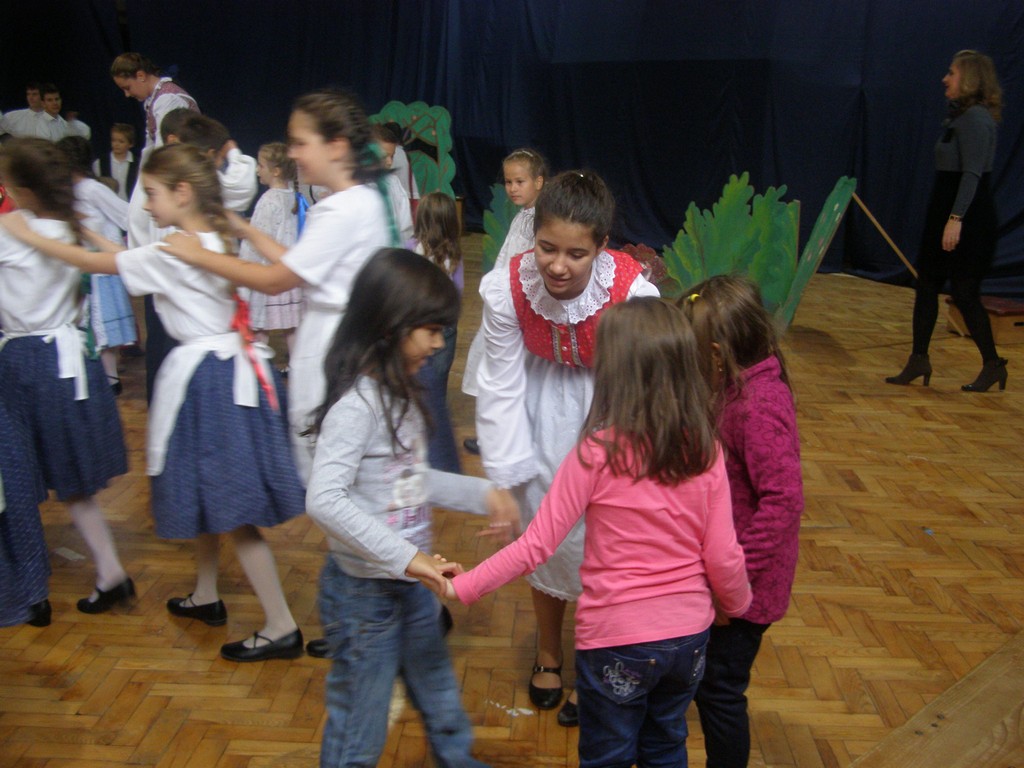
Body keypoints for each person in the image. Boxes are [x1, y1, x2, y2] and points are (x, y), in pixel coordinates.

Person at [1, 143, 308, 662]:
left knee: (235, 510)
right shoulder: (205, 238)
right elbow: (118, 255)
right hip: (225, 373)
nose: (144, 205)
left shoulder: (175, 251)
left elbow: (98, 262)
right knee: (209, 491)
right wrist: (77, 232)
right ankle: (206, 593)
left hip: (212, 382)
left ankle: (280, 624)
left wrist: (27, 233)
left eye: (151, 193)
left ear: (182, 193)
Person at [438, 298, 751, 768]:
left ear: (614, 374)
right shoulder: (706, 450)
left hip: (616, 641)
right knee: (667, 744)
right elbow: (723, 553)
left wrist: (462, 586)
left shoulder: (595, 454)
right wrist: (736, 605)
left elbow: (535, 546)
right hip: (689, 639)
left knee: (608, 753)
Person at [304, 247, 519, 767]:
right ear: (390, 325)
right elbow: (324, 499)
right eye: (431, 330)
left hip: (412, 587)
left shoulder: (400, 396)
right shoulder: (357, 407)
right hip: (364, 600)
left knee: (440, 696)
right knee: (361, 724)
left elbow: (408, 481)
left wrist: (482, 494)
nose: (440, 343)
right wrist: (408, 556)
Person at [475, 170, 660, 726]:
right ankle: (549, 650)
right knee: (545, 535)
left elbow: (648, 386)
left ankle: (594, 660)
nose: (557, 266)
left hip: (611, 409)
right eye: (547, 248)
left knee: (602, 544)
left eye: (576, 254)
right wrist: (503, 475)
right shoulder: (509, 287)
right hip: (538, 411)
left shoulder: (631, 294)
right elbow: (500, 382)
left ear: (601, 246)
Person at [159, 88, 396, 481]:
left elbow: (276, 281)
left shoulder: (340, 209)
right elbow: (297, 263)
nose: (293, 154)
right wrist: (246, 230)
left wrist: (198, 255)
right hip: (350, 341)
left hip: (336, 346)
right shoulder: (360, 199)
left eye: (300, 143)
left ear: (336, 147)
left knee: (329, 474)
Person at [0, 138, 131, 616]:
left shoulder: (11, 231)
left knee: (17, 476)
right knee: (72, 479)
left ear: (20, 190)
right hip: (73, 356)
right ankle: (109, 569)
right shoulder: (71, 228)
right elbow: (118, 257)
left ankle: (29, 581)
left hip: (29, 360)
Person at [680, 276, 804, 768]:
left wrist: (733, 584)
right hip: (732, 578)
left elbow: (784, 501)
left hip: (746, 591)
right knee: (710, 683)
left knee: (720, 691)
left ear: (715, 353)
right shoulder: (744, 386)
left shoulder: (756, 406)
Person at [887, 49, 1006, 392]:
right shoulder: (960, 117)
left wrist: (956, 219)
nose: (945, 78)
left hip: (969, 218)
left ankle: (993, 364)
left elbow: (972, 175)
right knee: (927, 285)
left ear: (969, 78)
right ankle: (918, 358)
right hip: (945, 212)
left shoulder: (976, 119)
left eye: (952, 73)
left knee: (965, 293)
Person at [462, 148, 548, 455]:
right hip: (504, 305)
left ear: (539, 181)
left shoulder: (541, 220)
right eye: (509, 182)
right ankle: (494, 436)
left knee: (505, 375)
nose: (512, 188)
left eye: (520, 181)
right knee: (496, 372)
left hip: (517, 310)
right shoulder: (523, 216)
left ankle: (502, 439)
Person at [56, 135, 137, 395]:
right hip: (85, 267)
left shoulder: (92, 189)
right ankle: (103, 378)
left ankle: (110, 380)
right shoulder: (71, 191)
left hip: (102, 267)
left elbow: (126, 215)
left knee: (100, 326)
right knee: (90, 326)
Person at [408, 191, 464, 472]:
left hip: (415, 330)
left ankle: (415, 441)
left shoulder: (409, 248)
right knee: (437, 391)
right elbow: (458, 293)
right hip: (445, 330)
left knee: (415, 386)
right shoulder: (454, 254)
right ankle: (435, 445)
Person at [238, 142, 304, 363]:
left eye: (261, 165)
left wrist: (244, 270)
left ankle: (254, 371)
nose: (257, 170)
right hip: (289, 276)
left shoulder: (269, 200)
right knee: (292, 329)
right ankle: (298, 369)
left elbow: (258, 240)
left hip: (268, 275)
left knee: (258, 329)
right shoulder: (293, 196)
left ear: (275, 171)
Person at [371, 123, 414, 241]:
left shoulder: (394, 184)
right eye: (384, 156)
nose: (390, 162)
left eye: (392, 156)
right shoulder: (354, 186)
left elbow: (406, 227)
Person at [92, 123, 138, 201]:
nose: (116, 144)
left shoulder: (138, 164)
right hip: (107, 204)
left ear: (130, 144)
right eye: (113, 140)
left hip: (129, 204)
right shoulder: (100, 163)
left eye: (121, 141)